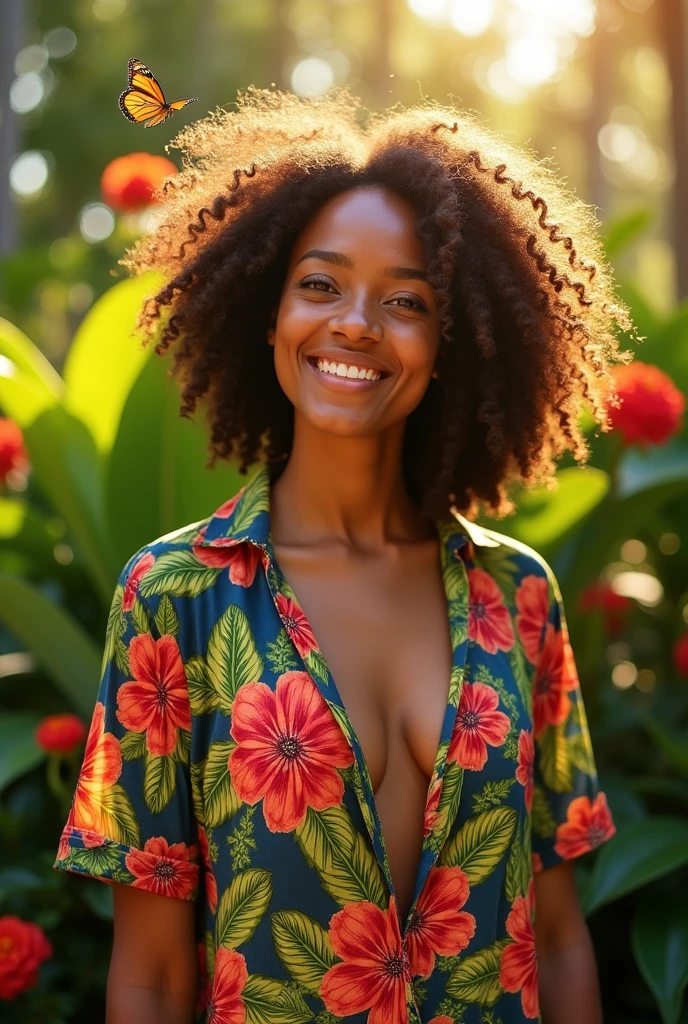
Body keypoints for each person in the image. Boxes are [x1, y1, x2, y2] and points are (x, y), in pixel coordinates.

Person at [54, 87, 632, 1024]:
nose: (356, 322)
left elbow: (558, 939)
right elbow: (151, 976)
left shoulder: (520, 596)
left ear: (450, 341)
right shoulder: (177, 598)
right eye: (320, 284)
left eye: (406, 299)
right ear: (269, 312)